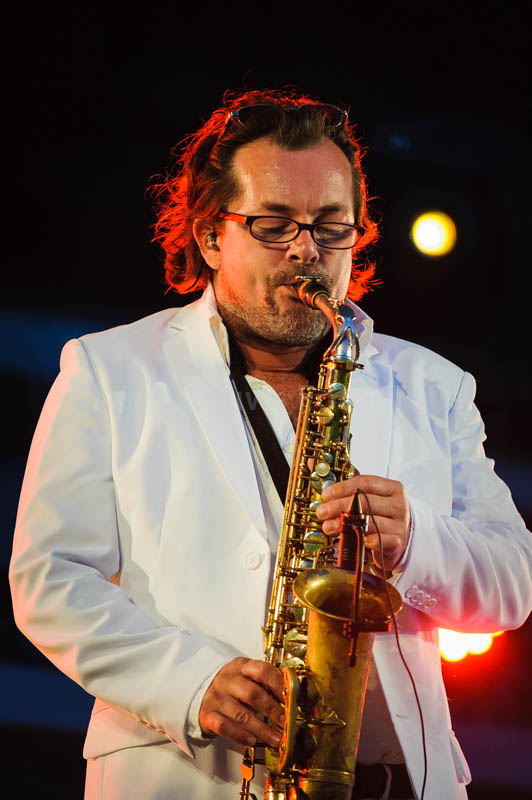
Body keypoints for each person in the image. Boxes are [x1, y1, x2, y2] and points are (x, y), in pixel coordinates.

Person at [9, 89, 532, 800]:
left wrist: (417, 541)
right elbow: (50, 580)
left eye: (330, 226)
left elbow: (512, 585)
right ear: (209, 236)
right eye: (274, 224)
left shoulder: (435, 385)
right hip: (190, 776)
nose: (306, 250)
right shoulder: (110, 371)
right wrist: (191, 683)